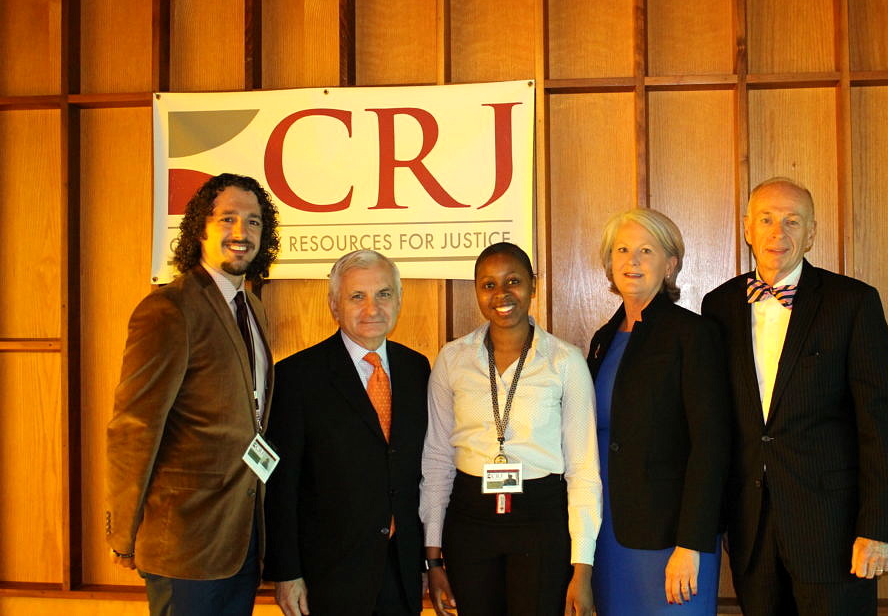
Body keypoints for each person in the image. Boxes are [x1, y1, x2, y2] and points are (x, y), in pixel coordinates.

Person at [701, 177, 888, 615]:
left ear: (812, 233)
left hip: (833, 528)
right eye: (767, 220)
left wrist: (878, 527)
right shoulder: (717, 306)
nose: (779, 233)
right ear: (747, 228)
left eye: (793, 221)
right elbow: (714, 422)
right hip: (750, 524)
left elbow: (879, 423)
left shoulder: (853, 302)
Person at [106, 173, 280, 615]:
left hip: (241, 536)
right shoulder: (168, 309)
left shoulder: (252, 307)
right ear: (200, 229)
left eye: (254, 221)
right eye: (228, 219)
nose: (242, 233)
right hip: (184, 542)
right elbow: (134, 427)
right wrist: (124, 533)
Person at [421, 242, 601, 616]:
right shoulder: (452, 359)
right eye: (488, 285)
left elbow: (583, 469)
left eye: (513, 281)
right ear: (476, 292)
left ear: (533, 286)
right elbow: (437, 458)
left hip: (541, 521)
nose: (502, 294)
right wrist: (434, 557)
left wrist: (582, 568)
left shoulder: (565, 361)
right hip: (469, 521)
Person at [263, 250, 430, 616]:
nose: (373, 308)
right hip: (329, 576)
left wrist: (423, 562)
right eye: (358, 296)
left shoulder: (417, 370)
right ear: (334, 305)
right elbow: (281, 485)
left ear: (399, 300)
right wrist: (287, 573)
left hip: (400, 571)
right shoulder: (297, 377)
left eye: (384, 294)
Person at [586, 208, 730, 614]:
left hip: (671, 537)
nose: (632, 261)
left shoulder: (693, 334)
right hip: (609, 531)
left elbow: (711, 444)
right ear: (609, 263)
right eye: (623, 250)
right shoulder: (602, 339)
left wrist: (691, 543)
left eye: (646, 251)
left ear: (670, 265)